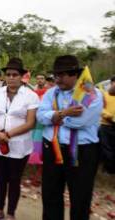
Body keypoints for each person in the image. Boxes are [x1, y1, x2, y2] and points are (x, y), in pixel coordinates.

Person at [37, 55, 103, 220]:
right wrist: (64, 113)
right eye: (56, 75)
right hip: (53, 148)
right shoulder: (51, 93)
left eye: (62, 75)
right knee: (51, 193)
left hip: (82, 152)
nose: (57, 79)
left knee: (80, 196)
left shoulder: (91, 93)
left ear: (74, 74)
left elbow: (79, 122)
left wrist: (54, 117)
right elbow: (40, 117)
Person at [0, 58, 39, 219]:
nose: (11, 77)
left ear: (22, 76)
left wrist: (8, 135)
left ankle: (11, 213)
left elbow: (30, 123)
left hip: (19, 145)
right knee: (0, 178)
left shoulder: (31, 96)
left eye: (15, 74)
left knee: (14, 179)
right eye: (8, 74)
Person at [99, 75, 115, 174]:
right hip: (105, 126)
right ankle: (109, 170)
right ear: (111, 83)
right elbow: (100, 109)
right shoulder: (104, 95)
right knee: (106, 149)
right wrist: (110, 116)